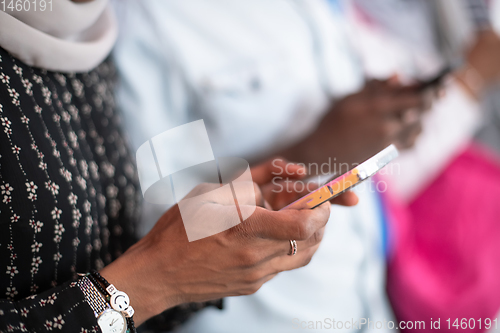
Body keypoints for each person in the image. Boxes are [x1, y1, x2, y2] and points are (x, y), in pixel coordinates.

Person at [0, 1, 359, 332]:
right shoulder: (140, 20)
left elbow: (119, 260)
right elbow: (141, 280)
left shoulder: (90, 28)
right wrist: (155, 279)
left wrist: (212, 234)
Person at [112, 0, 429, 331]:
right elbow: (154, 227)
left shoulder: (320, 8)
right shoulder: (152, 17)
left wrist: (385, 117)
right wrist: (314, 151)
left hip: (368, 308)